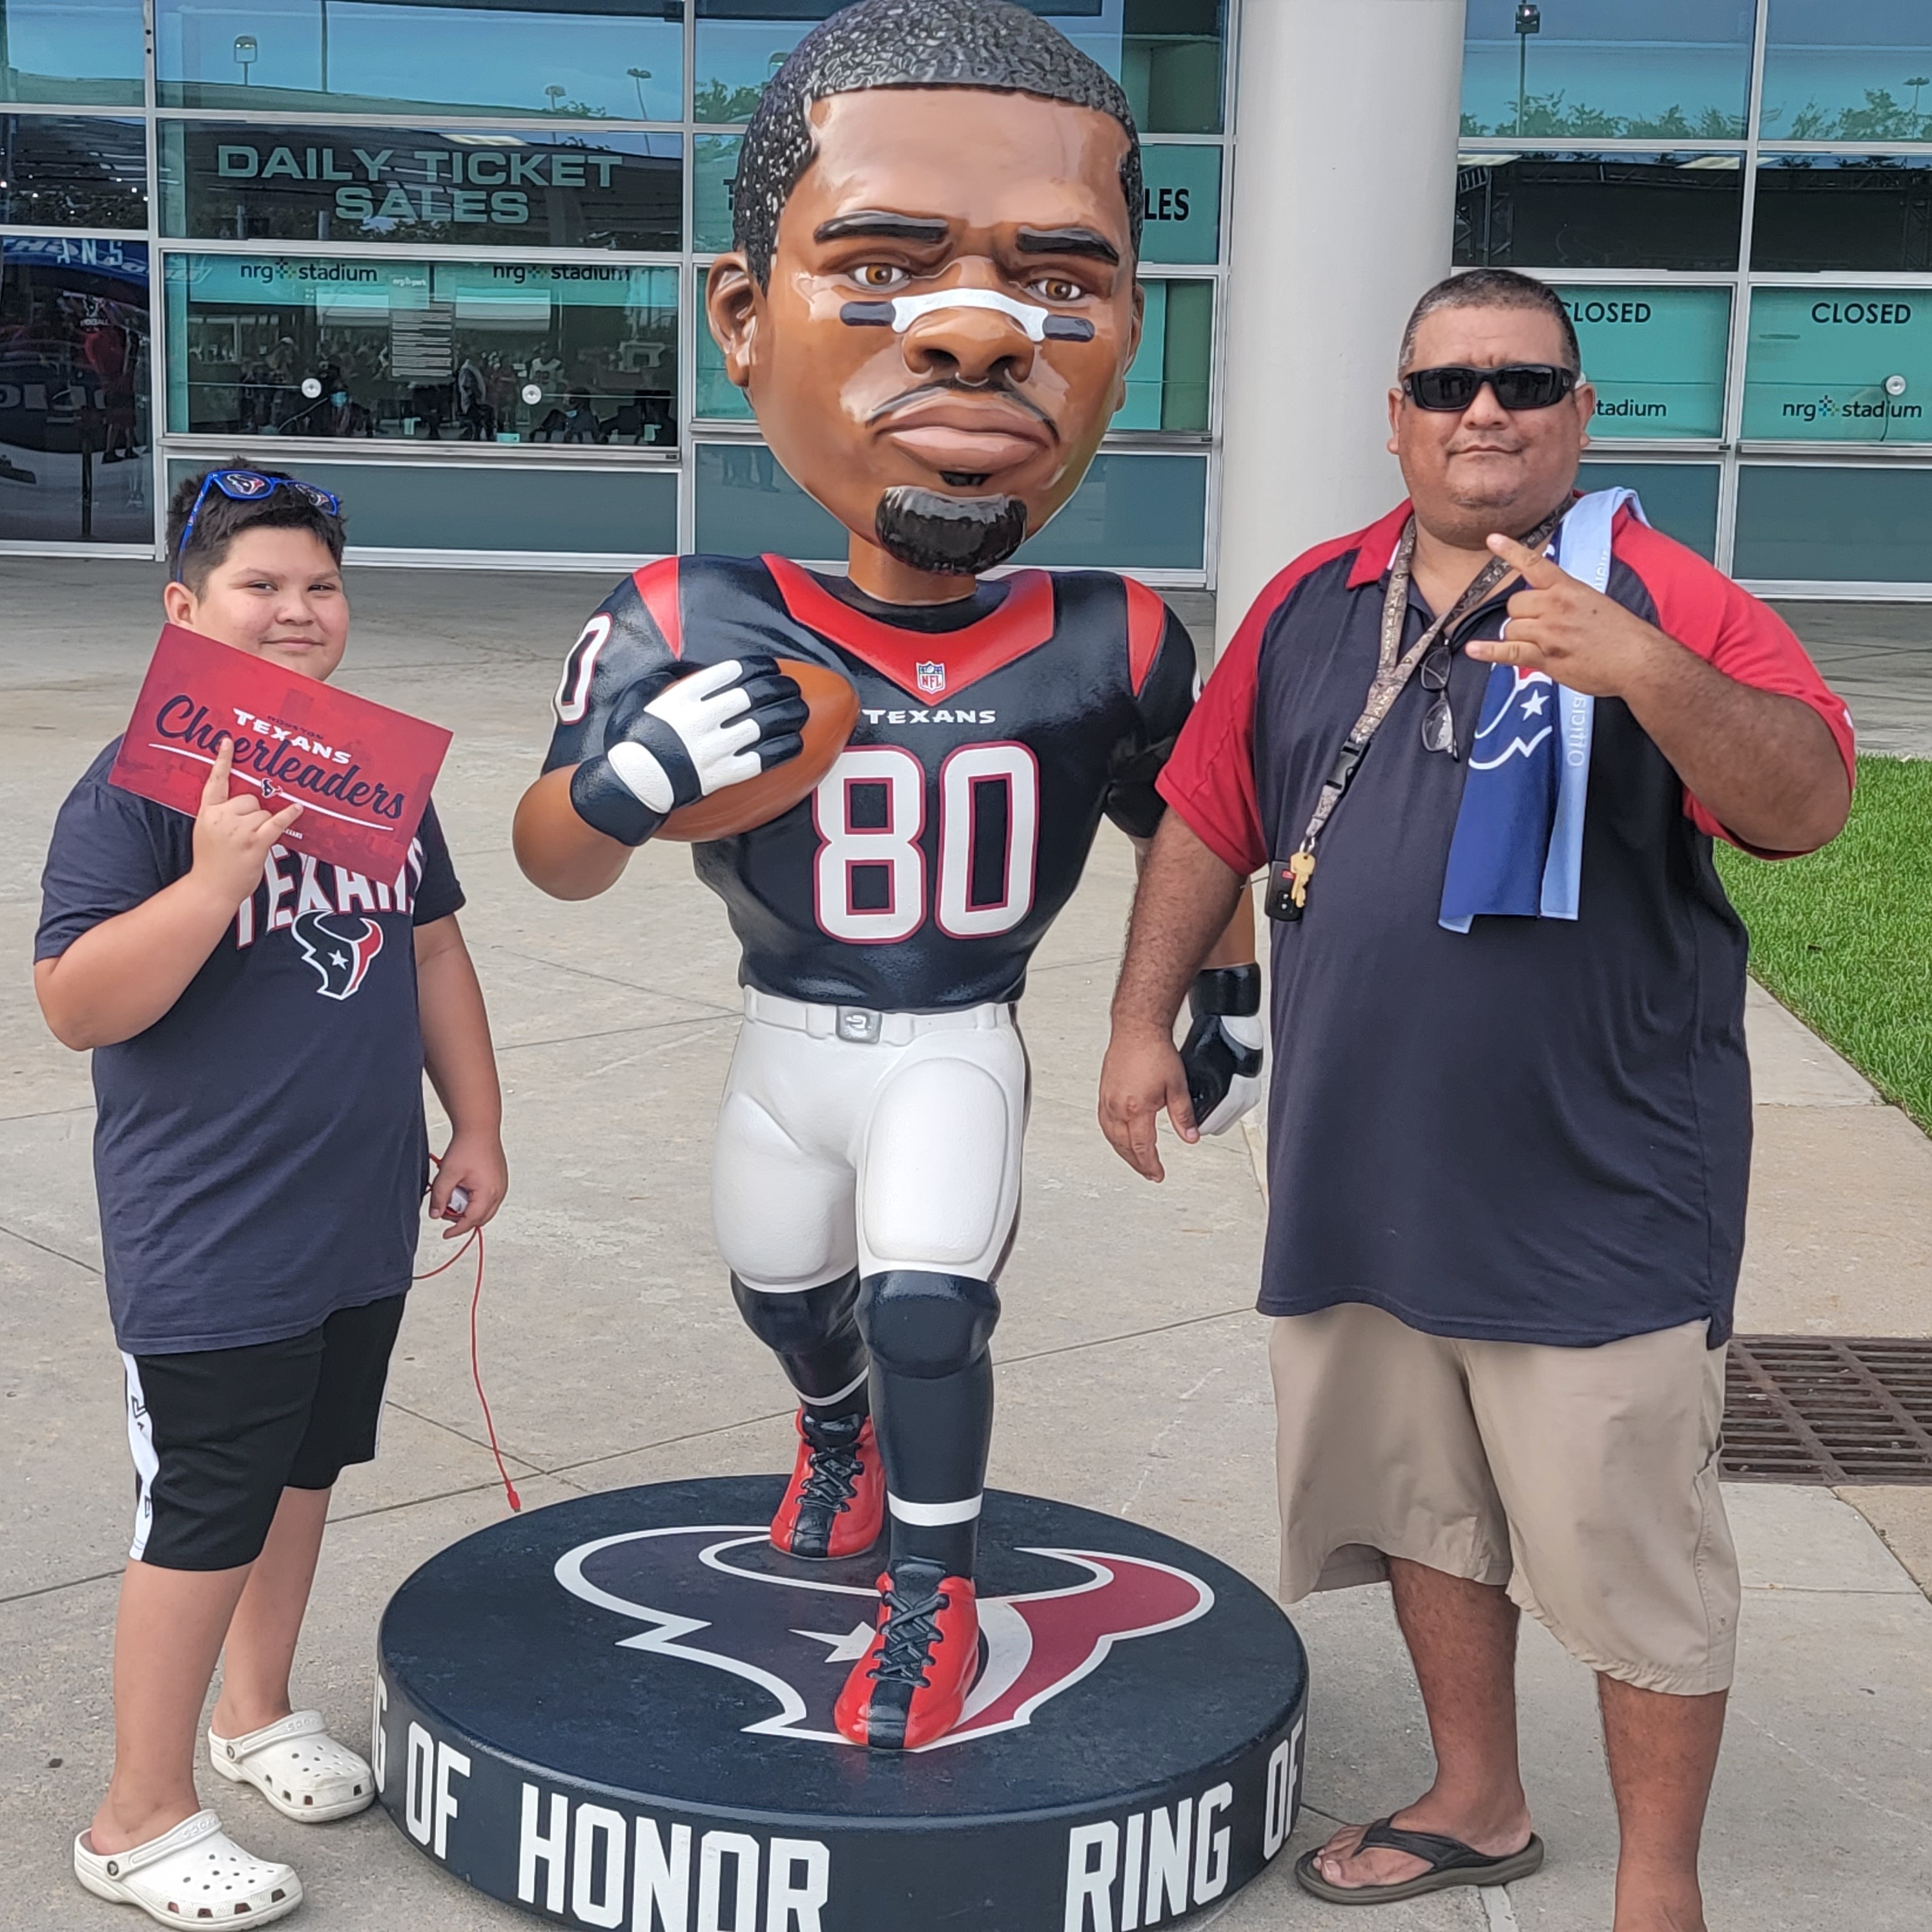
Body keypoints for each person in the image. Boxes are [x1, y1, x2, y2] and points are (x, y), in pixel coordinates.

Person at [513, 0, 1264, 1751]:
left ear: (1123, 333)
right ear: (742, 316)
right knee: (784, 1289)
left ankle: (934, 1590)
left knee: (931, 1301)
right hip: (784, 1035)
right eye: (882, 267)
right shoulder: (689, 612)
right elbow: (556, 858)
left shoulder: (1115, 634)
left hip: (953, 1038)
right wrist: (624, 785)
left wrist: (1213, 994)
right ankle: (831, 1422)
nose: (978, 332)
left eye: (1056, 283)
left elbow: (1193, 828)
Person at [1098, 267, 1854, 1929]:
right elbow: (1208, 814)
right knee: (1420, 1506)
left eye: (1520, 381)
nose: (1483, 411)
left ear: (1579, 410)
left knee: (1630, 1548)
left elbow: (1804, 801)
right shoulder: (1314, 599)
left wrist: (1642, 667)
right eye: (1445, 386)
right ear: (1397, 419)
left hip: (1597, 1189)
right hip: (1360, 1173)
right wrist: (1142, 1016)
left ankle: (1656, 1886)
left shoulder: (1657, 590)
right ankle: (1474, 1795)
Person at [36, 465, 508, 1927]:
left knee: (303, 1472)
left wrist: (477, 1120)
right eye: (260, 585)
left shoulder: (372, 776)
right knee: (205, 1504)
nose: (297, 610)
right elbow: (75, 1004)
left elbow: (431, 949)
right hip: (211, 1229)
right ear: (185, 611)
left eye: (320, 586)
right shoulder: (136, 786)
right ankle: (136, 1813)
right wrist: (212, 876)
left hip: (354, 1209)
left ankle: (254, 1709)